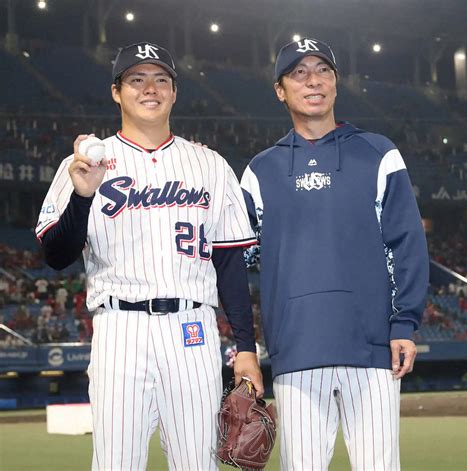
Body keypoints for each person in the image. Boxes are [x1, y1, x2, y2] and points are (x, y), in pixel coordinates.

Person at [36, 42, 263, 471]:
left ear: (175, 92)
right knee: (116, 462)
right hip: (119, 329)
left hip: (192, 328)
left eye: (161, 79)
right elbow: (55, 255)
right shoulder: (82, 164)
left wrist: (246, 348)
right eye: (136, 79)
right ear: (116, 92)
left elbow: (230, 265)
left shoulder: (210, 165)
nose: (150, 88)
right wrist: (83, 197)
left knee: (197, 462)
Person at [241, 37, 429, 471]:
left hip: (372, 348)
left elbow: (406, 242)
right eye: (299, 73)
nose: (314, 81)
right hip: (296, 349)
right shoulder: (260, 170)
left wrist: (404, 322)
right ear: (279, 89)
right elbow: (239, 257)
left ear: (337, 83)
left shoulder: (379, 152)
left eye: (323, 70)